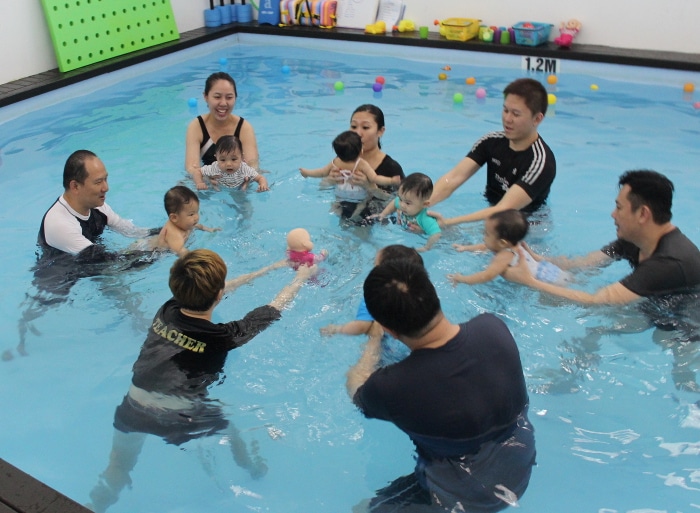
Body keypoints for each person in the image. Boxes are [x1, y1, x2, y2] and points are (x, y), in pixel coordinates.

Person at [87, 249, 314, 513]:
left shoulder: (167, 310)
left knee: (117, 467)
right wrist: (301, 278)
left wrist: (268, 269)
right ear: (219, 295)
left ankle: (93, 505)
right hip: (181, 414)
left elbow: (215, 290)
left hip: (134, 406)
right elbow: (273, 309)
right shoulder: (221, 337)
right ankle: (252, 469)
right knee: (232, 431)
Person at [347, 261, 536, 512]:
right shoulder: (493, 328)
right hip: (519, 470)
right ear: (434, 295)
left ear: (389, 329)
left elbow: (356, 389)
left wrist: (372, 344)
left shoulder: (391, 387)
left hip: (461, 497)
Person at [505, 170, 700, 304]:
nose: (613, 214)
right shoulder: (636, 240)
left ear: (643, 214)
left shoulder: (669, 262)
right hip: (658, 304)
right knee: (553, 298)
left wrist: (529, 282)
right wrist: (538, 259)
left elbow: (598, 302)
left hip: (686, 331)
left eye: (619, 207)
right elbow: (584, 264)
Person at [429, 78, 556, 227]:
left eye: (516, 114)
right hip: (492, 214)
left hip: (527, 225)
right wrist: (422, 205)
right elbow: (453, 178)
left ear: (537, 119)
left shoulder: (541, 162)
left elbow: (505, 208)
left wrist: (448, 222)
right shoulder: (491, 141)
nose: (507, 119)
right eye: (505, 110)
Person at [38, 149, 154, 261]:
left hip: (90, 264)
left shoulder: (97, 205)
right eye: (98, 182)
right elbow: (108, 262)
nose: (106, 188)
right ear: (75, 186)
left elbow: (131, 231)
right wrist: (156, 248)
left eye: (106, 179)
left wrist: (164, 231)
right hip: (61, 277)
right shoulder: (60, 224)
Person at [320, 244, 423, 365]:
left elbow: (361, 326)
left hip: (387, 351)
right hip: (416, 348)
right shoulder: (421, 296)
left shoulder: (375, 298)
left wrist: (337, 329)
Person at [448, 209, 571, 286]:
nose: (483, 236)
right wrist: (466, 248)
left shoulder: (504, 256)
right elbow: (486, 246)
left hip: (548, 281)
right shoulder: (515, 244)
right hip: (552, 270)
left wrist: (462, 279)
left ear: (502, 243)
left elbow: (487, 275)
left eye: (486, 233)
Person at [300, 130, 393, 221]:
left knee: (337, 201)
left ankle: (336, 208)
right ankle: (356, 214)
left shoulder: (336, 162)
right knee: (363, 203)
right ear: (361, 150)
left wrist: (307, 172)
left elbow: (321, 172)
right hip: (358, 194)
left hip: (341, 192)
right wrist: (390, 180)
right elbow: (374, 178)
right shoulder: (361, 164)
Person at [184, 72, 259, 181]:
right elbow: (191, 167)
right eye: (217, 97)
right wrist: (206, 178)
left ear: (235, 98)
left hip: (237, 180)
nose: (223, 103)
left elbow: (253, 164)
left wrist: (246, 177)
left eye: (229, 97)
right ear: (205, 96)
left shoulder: (244, 127)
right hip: (208, 181)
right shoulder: (197, 127)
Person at [373, 173, 441, 252]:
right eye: (401, 199)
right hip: (402, 228)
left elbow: (436, 234)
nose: (402, 205)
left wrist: (426, 247)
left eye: (408, 203)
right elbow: (395, 202)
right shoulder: (403, 202)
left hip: (417, 238)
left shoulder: (425, 219)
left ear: (425, 204)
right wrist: (383, 214)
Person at [149, 185, 220, 257]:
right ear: (174, 218)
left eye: (197, 212)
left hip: (158, 238)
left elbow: (197, 226)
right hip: (152, 252)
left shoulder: (185, 223)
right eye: (191, 214)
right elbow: (181, 251)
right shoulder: (175, 234)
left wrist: (209, 229)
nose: (196, 217)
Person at [193, 135, 269, 191]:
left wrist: (263, 185)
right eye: (223, 160)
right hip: (220, 189)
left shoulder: (244, 168)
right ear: (216, 158)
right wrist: (199, 182)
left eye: (233, 159)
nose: (228, 164)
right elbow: (197, 171)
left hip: (240, 188)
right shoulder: (215, 167)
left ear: (242, 157)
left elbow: (260, 178)